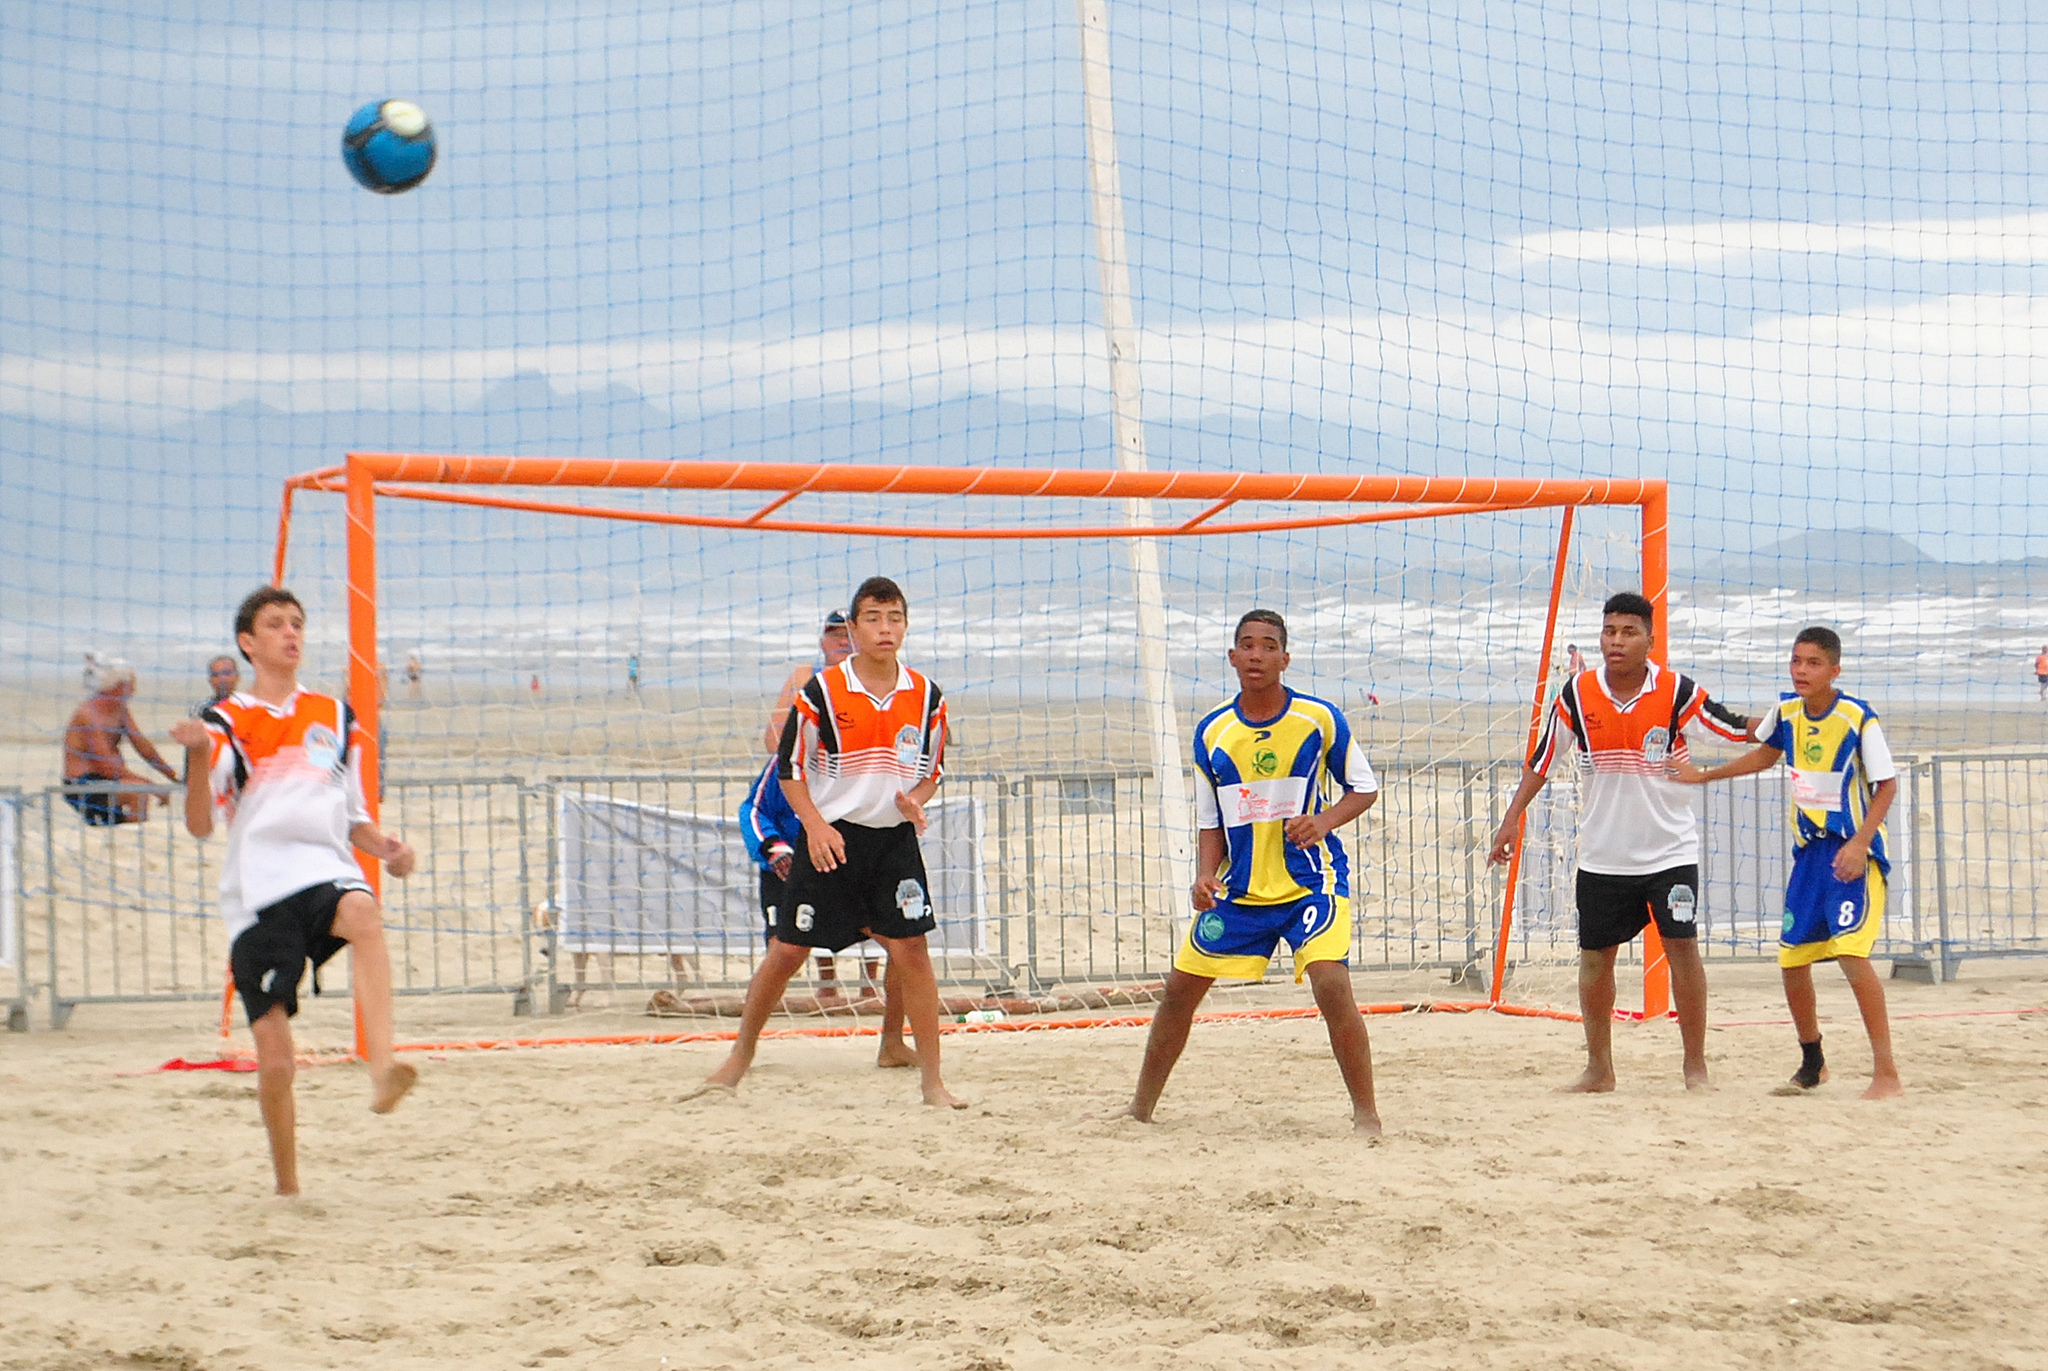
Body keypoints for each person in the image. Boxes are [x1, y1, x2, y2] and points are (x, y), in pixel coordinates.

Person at [166, 586, 418, 1196]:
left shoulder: (333, 714)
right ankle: (287, 1186)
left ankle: (382, 1068)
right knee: (277, 1064)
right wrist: (198, 756)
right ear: (248, 644)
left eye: (298, 623)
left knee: (363, 910)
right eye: (276, 624)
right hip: (257, 893)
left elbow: (353, 813)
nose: (291, 633)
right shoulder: (226, 720)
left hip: (321, 871)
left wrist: (385, 845)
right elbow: (200, 824)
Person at [1116, 610, 1383, 1132]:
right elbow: (1210, 820)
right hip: (1240, 891)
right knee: (1178, 990)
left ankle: (1366, 1115)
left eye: (1267, 646)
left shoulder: (1320, 719)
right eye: (1247, 645)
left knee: (1331, 985)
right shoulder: (1213, 732)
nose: (1256, 655)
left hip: (1310, 882)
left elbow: (1364, 787)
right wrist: (1203, 875)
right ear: (1233, 657)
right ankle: (1139, 1110)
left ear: (1285, 658)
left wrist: (1323, 821)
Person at [701, 577, 962, 1107]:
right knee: (788, 950)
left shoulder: (926, 694)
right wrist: (815, 826)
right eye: (873, 618)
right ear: (853, 626)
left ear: (906, 624)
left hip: (893, 841)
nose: (885, 628)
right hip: (832, 839)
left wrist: (918, 798)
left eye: (894, 617)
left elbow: (933, 770)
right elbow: (791, 771)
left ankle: (931, 1080)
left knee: (912, 950)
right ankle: (739, 1057)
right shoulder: (821, 691)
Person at [1488, 592, 1752, 1093]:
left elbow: (1734, 730)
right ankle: (1599, 1069)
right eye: (1610, 631)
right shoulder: (1577, 694)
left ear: (1651, 640)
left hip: (1669, 853)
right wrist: (1510, 819)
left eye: (1629, 632)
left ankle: (1695, 1067)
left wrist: (1794, 720)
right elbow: (1542, 761)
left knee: (1683, 952)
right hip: (1603, 856)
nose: (1616, 641)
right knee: (1594, 960)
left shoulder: (1677, 692)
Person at [1666, 626, 1902, 1099]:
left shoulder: (1857, 717)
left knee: (1853, 955)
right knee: (1792, 961)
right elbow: (1763, 756)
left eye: (1813, 663)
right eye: (1796, 661)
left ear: (1834, 670)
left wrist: (1859, 844)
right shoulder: (1788, 713)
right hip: (1809, 856)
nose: (1801, 671)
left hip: (1849, 853)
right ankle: (1813, 1060)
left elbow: (1887, 785)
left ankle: (1887, 1073)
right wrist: (1703, 776)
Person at [739, 755, 907, 1058]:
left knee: (905, 945)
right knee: (783, 952)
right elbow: (753, 809)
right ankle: (743, 1050)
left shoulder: (868, 756)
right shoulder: (788, 757)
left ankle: (893, 1044)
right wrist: (773, 847)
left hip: (845, 863)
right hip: (790, 867)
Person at [62, 660, 178, 825]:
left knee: (140, 790)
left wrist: (173, 776)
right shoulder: (88, 714)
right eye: (131, 686)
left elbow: (143, 746)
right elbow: (105, 764)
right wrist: (151, 785)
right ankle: (126, 827)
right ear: (117, 686)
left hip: (106, 781)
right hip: (82, 785)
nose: (134, 691)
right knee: (138, 791)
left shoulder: (120, 709)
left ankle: (131, 828)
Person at [761, 610, 853, 754]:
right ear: (822, 642)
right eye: (836, 635)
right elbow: (773, 739)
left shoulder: (873, 679)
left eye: (850, 636)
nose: (844, 642)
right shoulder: (804, 676)